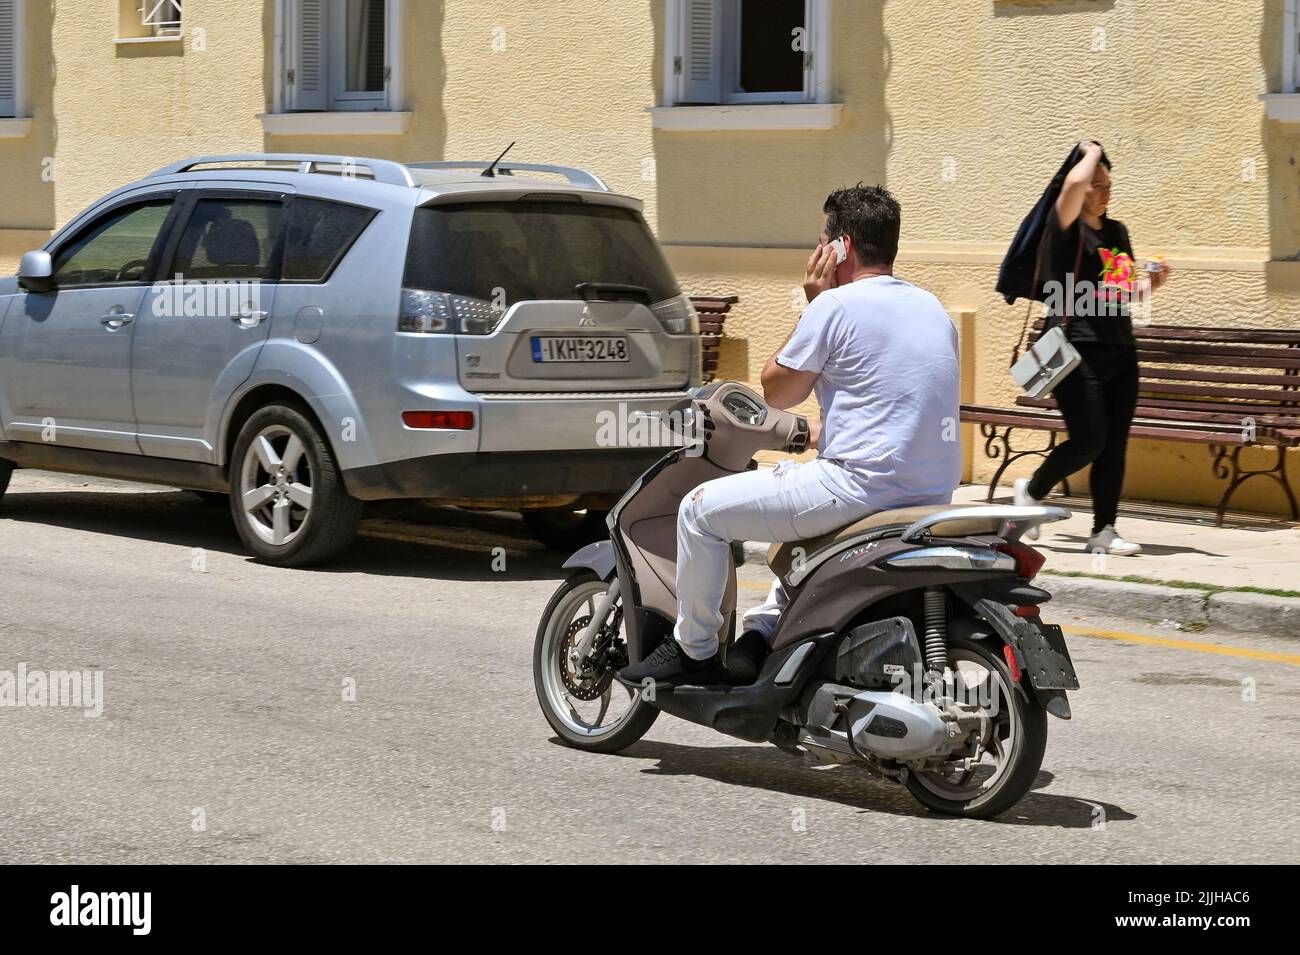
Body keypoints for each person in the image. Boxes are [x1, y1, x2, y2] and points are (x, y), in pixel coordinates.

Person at [619, 184, 962, 686]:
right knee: (799, 559)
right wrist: (827, 432)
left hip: (858, 489)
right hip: (930, 493)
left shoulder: (835, 306)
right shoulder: (933, 308)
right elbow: (892, 406)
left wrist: (813, 301)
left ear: (839, 247)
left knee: (698, 511)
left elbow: (776, 392)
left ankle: (693, 652)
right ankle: (760, 639)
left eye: (821, 239)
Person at [1012, 141, 1172, 556]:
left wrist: (1149, 285)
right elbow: (1071, 185)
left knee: (1114, 444)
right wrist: (1090, 151)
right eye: (1096, 185)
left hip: (1119, 347)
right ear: (1080, 188)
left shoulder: (1116, 232)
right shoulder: (1064, 229)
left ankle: (1104, 531)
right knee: (1089, 440)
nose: (1104, 192)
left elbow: (1122, 288)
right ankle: (1032, 490)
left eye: (1108, 185)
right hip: (1073, 350)